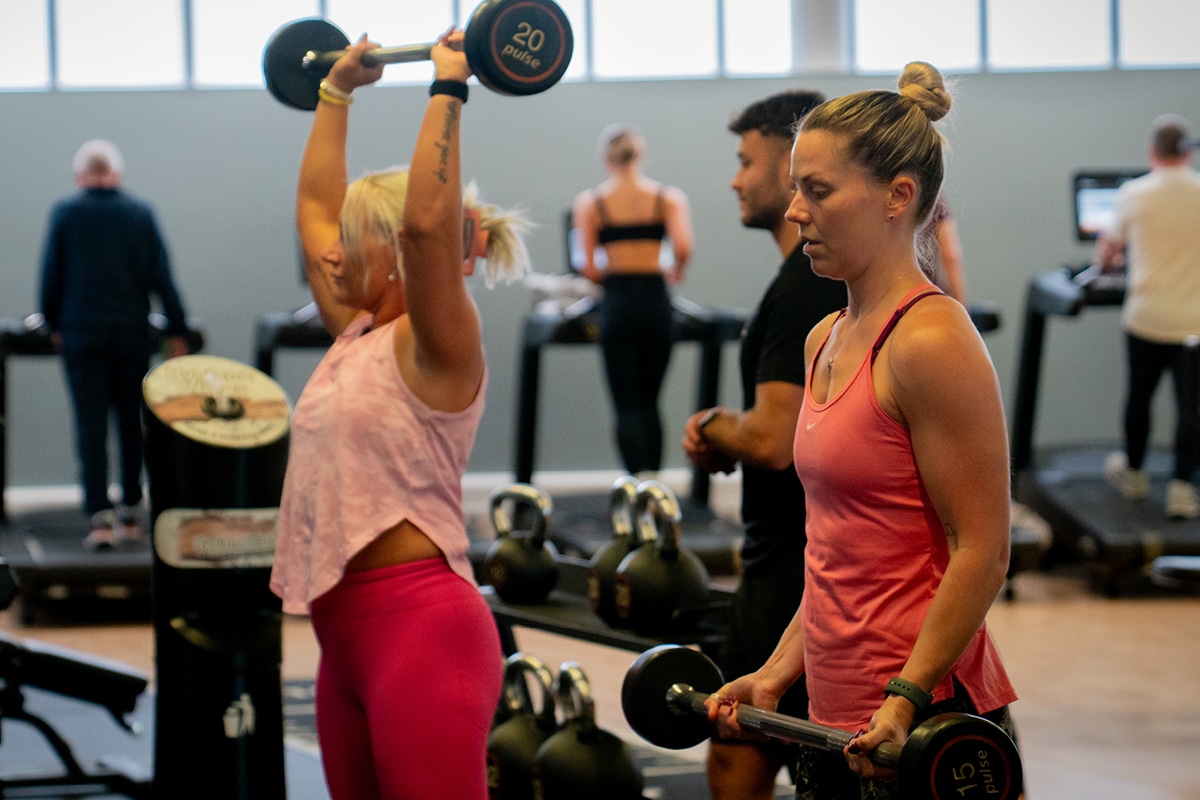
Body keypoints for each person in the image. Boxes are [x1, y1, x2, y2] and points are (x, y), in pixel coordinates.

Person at [707, 62, 1018, 800]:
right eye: (794, 190)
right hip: (838, 712)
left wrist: (906, 696)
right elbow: (838, 551)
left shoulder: (932, 340)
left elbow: (984, 548)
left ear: (897, 196)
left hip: (927, 714)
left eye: (817, 191)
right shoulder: (825, 337)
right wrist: (778, 673)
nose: (795, 212)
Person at [268, 31, 531, 800]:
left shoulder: (434, 342)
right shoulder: (356, 333)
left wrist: (447, 90)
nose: (330, 255)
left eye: (348, 241)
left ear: (390, 251)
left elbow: (426, 228)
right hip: (340, 636)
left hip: (422, 630)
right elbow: (315, 208)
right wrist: (335, 92)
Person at [681, 89, 846, 800]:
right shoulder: (820, 285)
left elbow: (775, 439)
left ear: (789, 167)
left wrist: (713, 426)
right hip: (811, 564)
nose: (735, 179)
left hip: (794, 567)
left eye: (745, 161)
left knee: (738, 747)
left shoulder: (804, 290)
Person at [39, 139, 191, 550]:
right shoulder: (139, 214)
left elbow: (51, 275)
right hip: (130, 333)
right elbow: (161, 276)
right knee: (131, 422)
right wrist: (178, 329)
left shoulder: (66, 213)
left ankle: (99, 516)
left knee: (90, 425)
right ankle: (131, 508)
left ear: (80, 176)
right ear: (117, 174)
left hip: (82, 333)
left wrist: (53, 322)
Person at [572, 125, 694, 477]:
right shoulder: (668, 198)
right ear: (640, 155)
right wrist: (675, 269)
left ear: (606, 159)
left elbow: (588, 266)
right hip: (656, 299)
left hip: (618, 300)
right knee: (650, 401)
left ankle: (635, 484)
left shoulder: (591, 203)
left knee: (626, 403)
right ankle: (655, 484)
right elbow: (683, 247)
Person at [1096, 114, 1200, 520]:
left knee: (1140, 396)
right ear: (1188, 151)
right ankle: (1181, 488)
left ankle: (1135, 473)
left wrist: (1109, 262)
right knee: (1190, 408)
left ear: (1152, 152)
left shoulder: (1133, 194)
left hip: (1147, 316)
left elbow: (1107, 253)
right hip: (1194, 321)